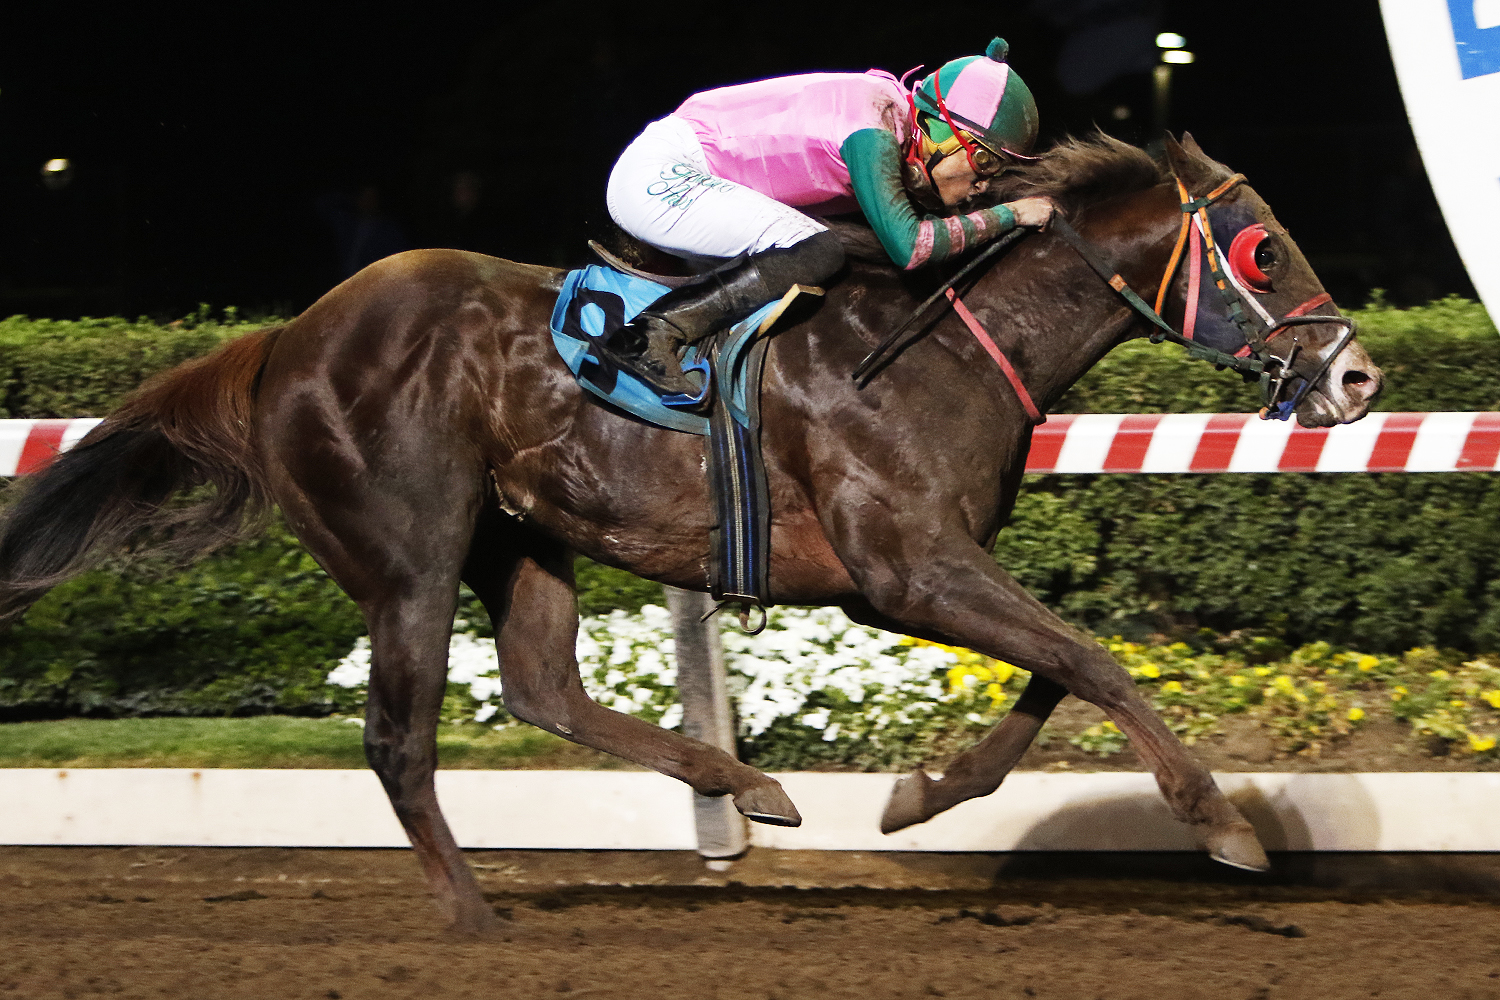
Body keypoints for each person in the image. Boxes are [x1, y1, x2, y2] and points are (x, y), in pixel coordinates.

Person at [601, 37, 1058, 396]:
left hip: (684, 167)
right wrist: (1011, 214)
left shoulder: (890, 115)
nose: (983, 186)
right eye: (987, 163)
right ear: (946, 135)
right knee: (818, 250)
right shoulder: (873, 130)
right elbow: (913, 247)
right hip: (662, 173)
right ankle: (647, 337)